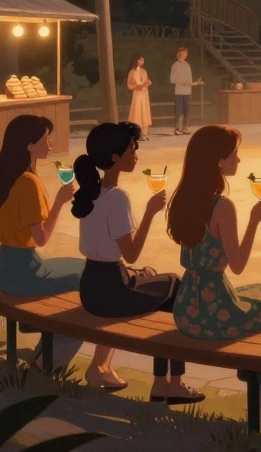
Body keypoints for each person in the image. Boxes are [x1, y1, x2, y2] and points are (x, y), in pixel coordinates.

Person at [166, 125, 261, 417]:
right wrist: (254, 221)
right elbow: (237, 265)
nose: (239, 160)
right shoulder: (222, 206)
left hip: (188, 308)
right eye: (235, 154)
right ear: (219, 162)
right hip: (216, 311)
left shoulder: (183, 198)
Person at [71, 122, 205, 404]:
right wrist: (150, 213)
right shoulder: (117, 197)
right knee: (174, 285)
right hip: (112, 291)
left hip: (91, 286)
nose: (136, 156)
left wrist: (134, 272)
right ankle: (170, 384)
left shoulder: (90, 193)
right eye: (132, 150)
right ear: (115, 159)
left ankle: (159, 383)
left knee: (152, 276)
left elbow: (108, 254)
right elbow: (131, 254)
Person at [0, 114, 117, 382]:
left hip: (11, 265)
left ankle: (48, 346)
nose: (49, 143)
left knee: (86, 268)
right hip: (23, 273)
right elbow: (42, 237)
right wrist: (59, 202)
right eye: (45, 139)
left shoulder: (16, 177)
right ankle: (48, 360)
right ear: (29, 146)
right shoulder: (28, 183)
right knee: (91, 282)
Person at [169, 47, 203, 135]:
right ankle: (176, 128)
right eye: (183, 53)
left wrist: (197, 83)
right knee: (178, 110)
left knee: (187, 111)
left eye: (186, 53)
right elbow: (172, 79)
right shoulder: (175, 65)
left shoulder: (187, 65)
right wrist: (181, 82)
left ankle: (185, 128)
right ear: (179, 54)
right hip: (179, 91)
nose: (185, 55)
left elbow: (190, 82)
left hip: (187, 92)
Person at [127, 53, 152, 138]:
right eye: (140, 59)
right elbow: (129, 85)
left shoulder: (143, 71)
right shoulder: (132, 72)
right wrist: (138, 86)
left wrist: (147, 83)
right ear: (137, 60)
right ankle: (137, 132)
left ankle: (144, 132)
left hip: (144, 93)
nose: (142, 61)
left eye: (143, 60)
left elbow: (147, 80)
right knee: (137, 112)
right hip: (137, 93)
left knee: (144, 111)